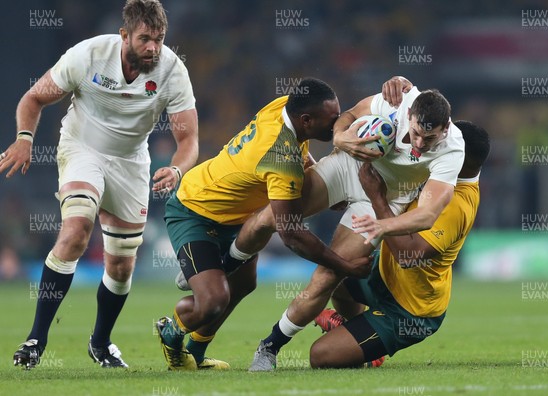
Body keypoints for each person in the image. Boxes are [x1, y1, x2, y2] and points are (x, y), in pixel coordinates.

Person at [1, 0, 198, 369]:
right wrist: (25, 137)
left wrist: (177, 169)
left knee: (122, 265)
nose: (153, 47)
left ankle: (101, 342)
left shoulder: (172, 70)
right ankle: (36, 338)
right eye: (144, 39)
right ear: (124, 35)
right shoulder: (88, 54)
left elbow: (188, 141)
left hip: (131, 162)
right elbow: (35, 97)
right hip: (82, 149)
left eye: (158, 39)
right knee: (76, 229)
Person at [244, 77, 466, 371]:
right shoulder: (396, 100)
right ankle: (230, 261)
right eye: (416, 134)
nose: (421, 144)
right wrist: (340, 137)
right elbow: (347, 115)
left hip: (381, 202)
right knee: (269, 218)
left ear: (446, 129)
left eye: (431, 138)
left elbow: (427, 215)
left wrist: (382, 226)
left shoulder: (452, 149)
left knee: (327, 276)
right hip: (349, 166)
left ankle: (269, 348)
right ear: (409, 115)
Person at [155, 77, 371, 371]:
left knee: (243, 283)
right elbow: (292, 234)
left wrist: (318, 174)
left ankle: (196, 350)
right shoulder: (280, 160)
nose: (336, 126)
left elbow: (296, 148)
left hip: (236, 213)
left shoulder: (284, 107)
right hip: (195, 210)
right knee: (214, 300)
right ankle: (171, 332)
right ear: (306, 120)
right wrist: (343, 266)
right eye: (331, 120)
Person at [309, 120, 490, 367]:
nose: (437, 147)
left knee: (321, 356)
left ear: (462, 156)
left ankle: (365, 346)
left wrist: (377, 198)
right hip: (383, 275)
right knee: (337, 270)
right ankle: (358, 336)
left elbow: (408, 255)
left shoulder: (456, 204)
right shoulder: (443, 173)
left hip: (409, 311)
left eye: (448, 145)